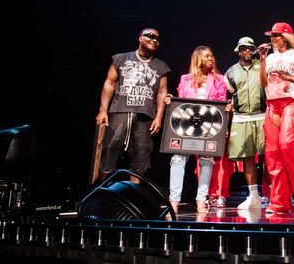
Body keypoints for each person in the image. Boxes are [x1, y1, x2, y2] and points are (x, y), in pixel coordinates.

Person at [95, 27, 170, 183]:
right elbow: (109, 83)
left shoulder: (160, 66)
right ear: (140, 38)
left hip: (145, 116)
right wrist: (103, 110)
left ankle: (132, 196)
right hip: (120, 112)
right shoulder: (121, 58)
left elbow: (162, 92)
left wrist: (159, 117)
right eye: (149, 36)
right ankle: (102, 194)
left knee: (141, 156)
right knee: (109, 151)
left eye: (157, 38)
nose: (154, 39)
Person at [257, 22, 294, 213]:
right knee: (272, 153)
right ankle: (280, 201)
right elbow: (264, 82)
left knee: (288, 145)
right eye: (271, 36)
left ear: (285, 37)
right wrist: (262, 59)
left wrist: (288, 78)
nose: (272, 39)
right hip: (272, 104)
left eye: (276, 36)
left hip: (292, 101)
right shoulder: (271, 57)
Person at [168, 46, 233, 214]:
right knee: (178, 159)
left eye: (211, 55)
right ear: (197, 58)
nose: (211, 58)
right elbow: (181, 103)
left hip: (209, 127)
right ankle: (174, 201)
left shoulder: (219, 79)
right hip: (186, 126)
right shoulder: (185, 79)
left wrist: (224, 126)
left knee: (207, 161)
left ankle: (201, 199)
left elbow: (221, 104)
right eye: (206, 56)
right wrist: (171, 100)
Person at [224, 36, 268, 210]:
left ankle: (272, 194)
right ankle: (254, 196)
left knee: (268, 158)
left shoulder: (262, 66)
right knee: (248, 159)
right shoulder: (231, 72)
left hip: (262, 115)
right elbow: (229, 96)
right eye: (244, 48)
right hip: (242, 118)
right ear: (238, 50)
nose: (247, 51)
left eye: (250, 48)